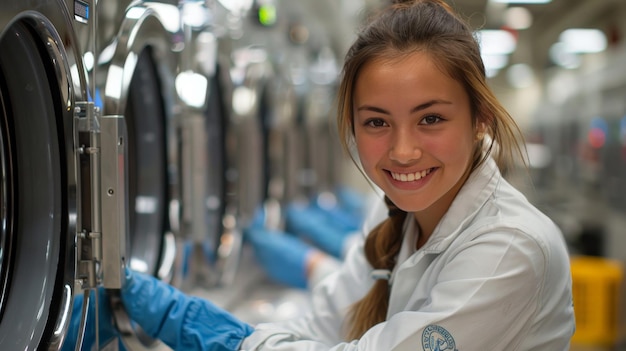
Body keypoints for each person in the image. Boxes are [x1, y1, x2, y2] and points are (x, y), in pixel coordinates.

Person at [63, 0, 576, 349]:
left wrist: (211, 331)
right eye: (377, 122)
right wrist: (250, 331)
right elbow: (327, 320)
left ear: (481, 117)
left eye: (431, 119)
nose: (402, 151)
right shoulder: (397, 207)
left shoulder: (510, 248)